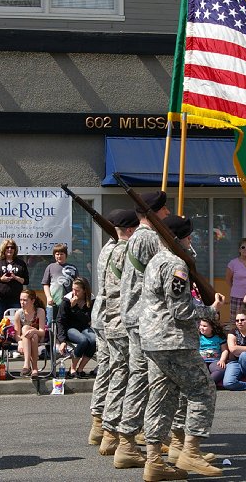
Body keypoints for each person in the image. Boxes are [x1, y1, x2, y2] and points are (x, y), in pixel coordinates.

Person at [140, 214, 225, 479]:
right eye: (188, 236)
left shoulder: (155, 260)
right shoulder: (176, 265)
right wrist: (211, 311)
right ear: (178, 239)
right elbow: (180, 309)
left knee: (161, 397)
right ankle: (191, 453)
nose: (191, 240)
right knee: (202, 390)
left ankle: (154, 461)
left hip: (153, 340)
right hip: (174, 340)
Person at [115, 191, 170, 470]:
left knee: (138, 376)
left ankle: (127, 440)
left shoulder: (135, 237)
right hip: (145, 317)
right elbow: (170, 269)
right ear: (154, 212)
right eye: (164, 209)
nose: (168, 213)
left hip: (133, 314)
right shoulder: (148, 238)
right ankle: (137, 440)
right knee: (151, 380)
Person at [93, 210, 142, 464]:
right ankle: (113, 431)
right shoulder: (123, 251)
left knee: (111, 371)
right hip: (119, 320)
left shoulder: (108, 249)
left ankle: (101, 426)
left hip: (105, 317)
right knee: (124, 374)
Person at [56, 276, 95, 378]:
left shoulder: (91, 299)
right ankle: (72, 368)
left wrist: (75, 308)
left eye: (77, 290)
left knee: (94, 340)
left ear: (84, 291)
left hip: (83, 327)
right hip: (69, 328)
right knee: (83, 340)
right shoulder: (67, 300)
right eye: (73, 289)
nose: (74, 292)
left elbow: (87, 319)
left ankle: (80, 368)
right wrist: (62, 340)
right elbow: (60, 320)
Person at [0, 239, 29, 321]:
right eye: (7, 247)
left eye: (12, 247)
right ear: (3, 249)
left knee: (15, 321)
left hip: (15, 298)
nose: (10, 249)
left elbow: (26, 281)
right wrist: (1, 279)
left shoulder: (20, 263)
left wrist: (16, 277)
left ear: (15, 249)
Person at [42, 243, 79, 324]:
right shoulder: (50, 267)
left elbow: (77, 285)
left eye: (61, 254)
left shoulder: (73, 268)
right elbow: (45, 284)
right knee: (50, 324)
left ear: (66, 255)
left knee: (66, 323)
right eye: (57, 254)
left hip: (68, 303)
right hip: (53, 303)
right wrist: (48, 297)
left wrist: (75, 298)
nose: (59, 256)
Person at [13, 289, 46, 379]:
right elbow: (16, 334)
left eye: (25, 300)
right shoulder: (18, 313)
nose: (22, 302)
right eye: (20, 300)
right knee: (30, 334)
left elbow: (42, 332)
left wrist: (34, 331)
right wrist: (20, 342)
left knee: (28, 330)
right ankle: (34, 368)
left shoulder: (40, 311)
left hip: (38, 336)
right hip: (25, 339)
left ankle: (26, 364)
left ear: (33, 301)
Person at [198, 317, 228, 386]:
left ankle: (207, 384)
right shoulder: (198, 337)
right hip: (201, 361)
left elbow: (225, 350)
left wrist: (222, 360)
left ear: (212, 328)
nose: (201, 327)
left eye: (204, 326)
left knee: (220, 370)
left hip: (214, 361)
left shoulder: (219, 337)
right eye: (201, 325)